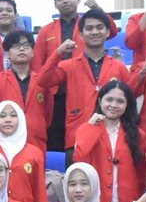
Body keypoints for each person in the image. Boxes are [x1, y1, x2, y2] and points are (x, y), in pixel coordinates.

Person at [56, 9, 133, 144]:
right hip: (76, 137)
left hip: (111, 138)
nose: (95, 32)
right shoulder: (67, 66)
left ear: (107, 32)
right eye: (89, 28)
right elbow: (43, 81)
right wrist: (58, 53)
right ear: (81, 34)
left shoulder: (119, 67)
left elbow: (131, 96)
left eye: (99, 27)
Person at [72, 79, 146, 202]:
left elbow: (141, 172)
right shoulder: (86, 129)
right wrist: (91, 127)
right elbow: (79, 159)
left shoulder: (138, 134)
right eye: (109, 100)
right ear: (100, 101)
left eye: (120, 101)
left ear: (127, 105)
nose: (114, 105)